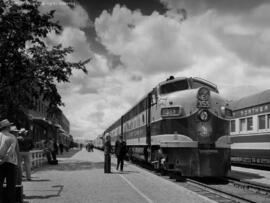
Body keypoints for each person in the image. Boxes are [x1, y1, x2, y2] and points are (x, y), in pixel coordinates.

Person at [0, 119, 20, 203]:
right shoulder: (12, 137)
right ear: (7, 127)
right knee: (11, 186)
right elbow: (11, 151)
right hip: (10, 163)